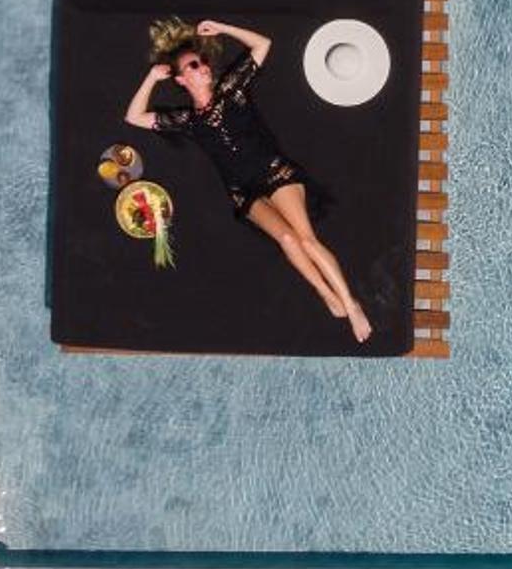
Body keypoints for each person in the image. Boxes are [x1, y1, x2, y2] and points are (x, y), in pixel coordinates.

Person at [126, 17, 372, 344]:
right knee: (287, 240)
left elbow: (263, 44)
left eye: (203, 61)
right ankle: (325, 293)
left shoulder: (232, 89)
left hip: (275, 173)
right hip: (244, 192)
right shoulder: (188, 120)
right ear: (182, 79)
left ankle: (351, 305)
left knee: (306, 240)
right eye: (194, 65)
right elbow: (134, 117)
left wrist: (223, 29)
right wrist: (151, 78)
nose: (203, 67)